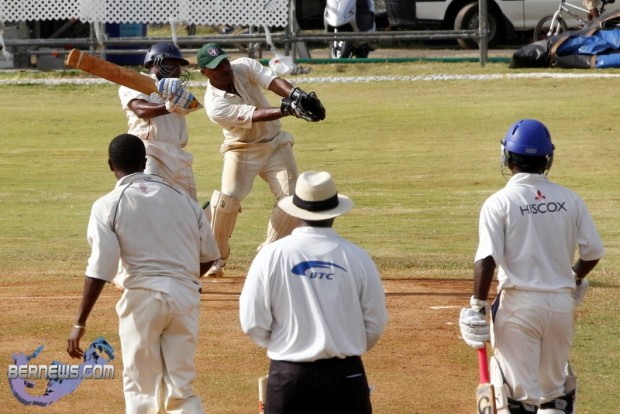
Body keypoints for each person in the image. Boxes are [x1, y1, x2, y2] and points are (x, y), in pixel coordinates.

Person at [458, 119, 605, 414]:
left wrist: (477, 306)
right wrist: (572, 277)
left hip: (518, 306)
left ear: (507, 157)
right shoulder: (570, 199)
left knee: (516, 398)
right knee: (554, 395)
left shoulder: (499, 202)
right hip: (560, 307)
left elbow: (487, 258)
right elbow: (593, 253)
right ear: (547, 159)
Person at [66, 133, 220, 413]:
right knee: (181, 387)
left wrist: (80, 322)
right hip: (185, 297)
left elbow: (101, 267)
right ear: (145, 160)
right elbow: (209, 257)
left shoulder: (107, 204)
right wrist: (180, 281)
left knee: (140, 388)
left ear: (110, 165)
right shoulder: (184, 200)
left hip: (142, 301)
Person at [239, 171, 388, 414]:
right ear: (335, 212)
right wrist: (346, 346)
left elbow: (252, 321)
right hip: (346, 376)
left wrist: (285, 345)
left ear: (297, 212)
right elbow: (375, 323)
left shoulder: (271, 255)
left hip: (289, 377)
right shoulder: (357, 257)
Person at [196, 42, 325, 277]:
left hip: (275, 144)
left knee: (293, 202)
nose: (225, 68)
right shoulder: (215, 105)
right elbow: (254, 115)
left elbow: (272, 81)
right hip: (241, 149)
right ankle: (216, 257)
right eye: (217, 66)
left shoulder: (243, 66)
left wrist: (296, 95)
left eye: (224, 61)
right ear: (205, 72)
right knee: (225, 201)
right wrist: (288, 109)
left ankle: (267, 255)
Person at [119, 42, 200, 201]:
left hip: (178, 154)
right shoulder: (135, 82)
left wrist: (176, 97)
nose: (178, 70)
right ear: (157, 63)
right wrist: (169, 105)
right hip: (150, 151)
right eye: (174, 65)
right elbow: (140, 110)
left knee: (190, 207)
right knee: (151, 201)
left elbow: (193, 105)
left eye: (179, 66)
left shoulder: (174, 89)